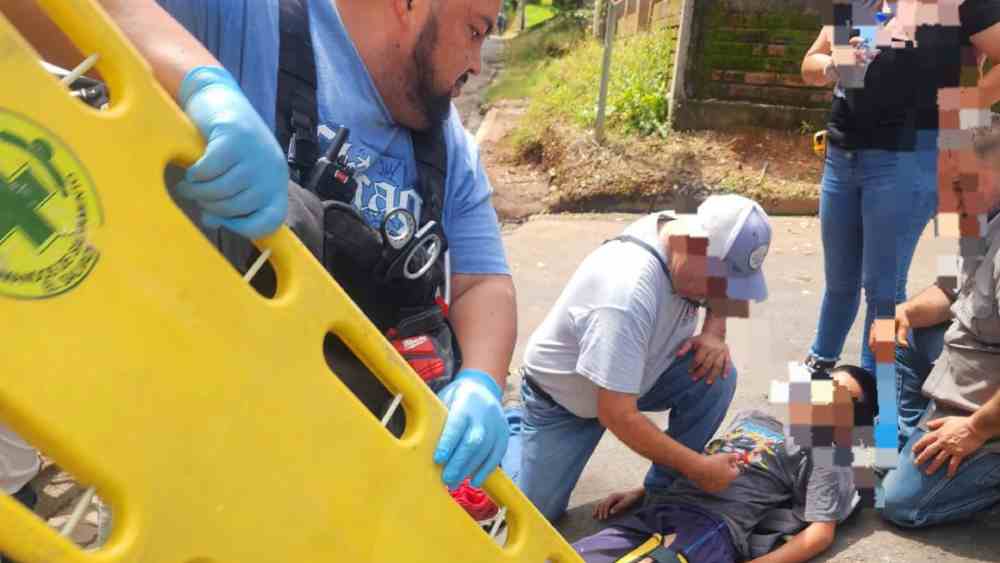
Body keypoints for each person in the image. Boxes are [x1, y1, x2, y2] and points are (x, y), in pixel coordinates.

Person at [4, 0, 514, 496]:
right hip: (195, 451)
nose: (476, 62)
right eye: (475, 30)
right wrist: (202, 84)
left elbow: (482, 282)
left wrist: (481, 383)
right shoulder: (250, 19)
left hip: (348, 470)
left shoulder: (453, 150)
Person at [502, 195, 773, 521]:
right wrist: (699, 467)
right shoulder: (625, 294)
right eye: (717, 280)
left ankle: (663, 490)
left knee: (716, 374)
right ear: (693, 246)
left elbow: (725, 290)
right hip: (564, 403)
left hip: (639, 373)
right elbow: (616, 413)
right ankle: (510, 424)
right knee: (533, 517)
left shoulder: (688, 224)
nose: (720, 291)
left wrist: (714, 331)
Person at [797, 0, 1000, 379]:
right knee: (840, 281)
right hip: (843, 155)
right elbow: (811, 62)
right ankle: (820, 369)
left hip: (907, 158)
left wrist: (961, 106)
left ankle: (876, 394)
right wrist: (830, 66)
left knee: (883, 290)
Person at [572, 365, 875, 563]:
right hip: (662, 506)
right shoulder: (752, 418)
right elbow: (699, 459)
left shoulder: (823, 453)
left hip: (713, 525)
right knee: (575, 556)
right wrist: (641, 491)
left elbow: (821, 533)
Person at [879, 211, 1000, 528]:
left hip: (989, 398)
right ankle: (905, 441)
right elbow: (949, 288)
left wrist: (975, 429)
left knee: (899, 502)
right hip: (975, 357)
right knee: (900, 333)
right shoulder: (978, 218)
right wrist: (906, 311)